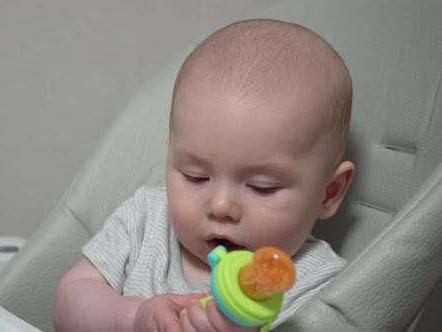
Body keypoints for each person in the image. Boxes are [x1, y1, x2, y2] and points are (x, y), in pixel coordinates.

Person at [53, 18, 355, 332]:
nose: (220, 206)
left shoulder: (321, 288)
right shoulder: (146, 220)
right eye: (196, 177)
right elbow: (67, 302)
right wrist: (132, 318)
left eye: (261, 187)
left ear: (329, 192)